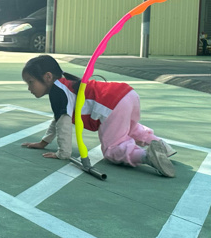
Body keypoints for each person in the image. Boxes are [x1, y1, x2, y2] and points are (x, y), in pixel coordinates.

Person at [19, 55, 176, 177]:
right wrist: (44, 142)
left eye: (31, 82)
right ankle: (162, 147)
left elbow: (63, 123)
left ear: (48, 77)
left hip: (112, 104)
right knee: (132, 129)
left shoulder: (57, 91)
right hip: (127, 94)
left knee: (112, 149)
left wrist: (63, 153)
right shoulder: (66, 83)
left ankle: (147, 156)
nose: (29, 88)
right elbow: (58, 119)